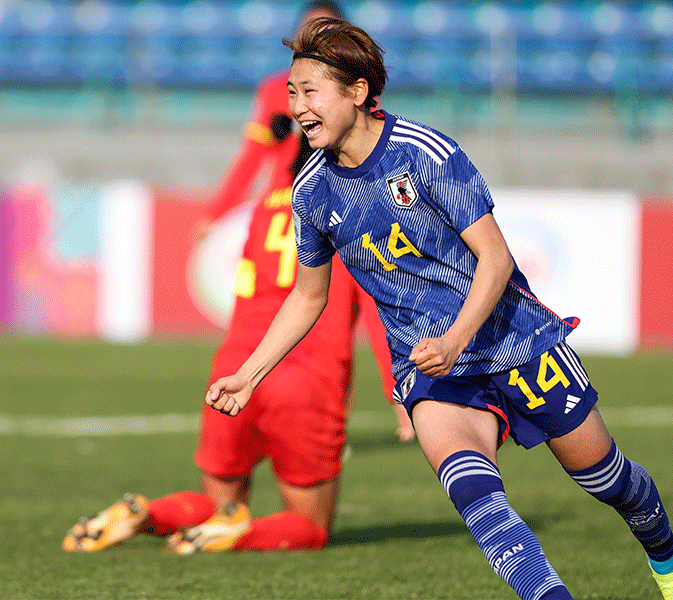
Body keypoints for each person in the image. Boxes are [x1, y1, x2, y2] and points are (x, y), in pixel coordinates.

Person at [204, 17, 673, 600]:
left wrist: (456, 337)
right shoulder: (312, 190)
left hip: (515, 342)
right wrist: (248, 374)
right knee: (477, 499)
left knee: (608, 480)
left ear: (357, 91)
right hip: (433, 370)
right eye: (292, 94)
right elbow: (309, 295)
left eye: (309, 92)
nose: (298, 108)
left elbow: (494, 260)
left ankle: (671, 573)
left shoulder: (426, 155)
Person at [62, 1, 411, 556]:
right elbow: (374, 305)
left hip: (235, 368)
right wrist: (400, 393)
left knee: (221, 502)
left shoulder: (269, 208)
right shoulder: (355, 202)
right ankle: (235, 536)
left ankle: (149, 513)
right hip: (307, 375)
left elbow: (251, 159)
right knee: (309, 525)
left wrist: (215, 212)